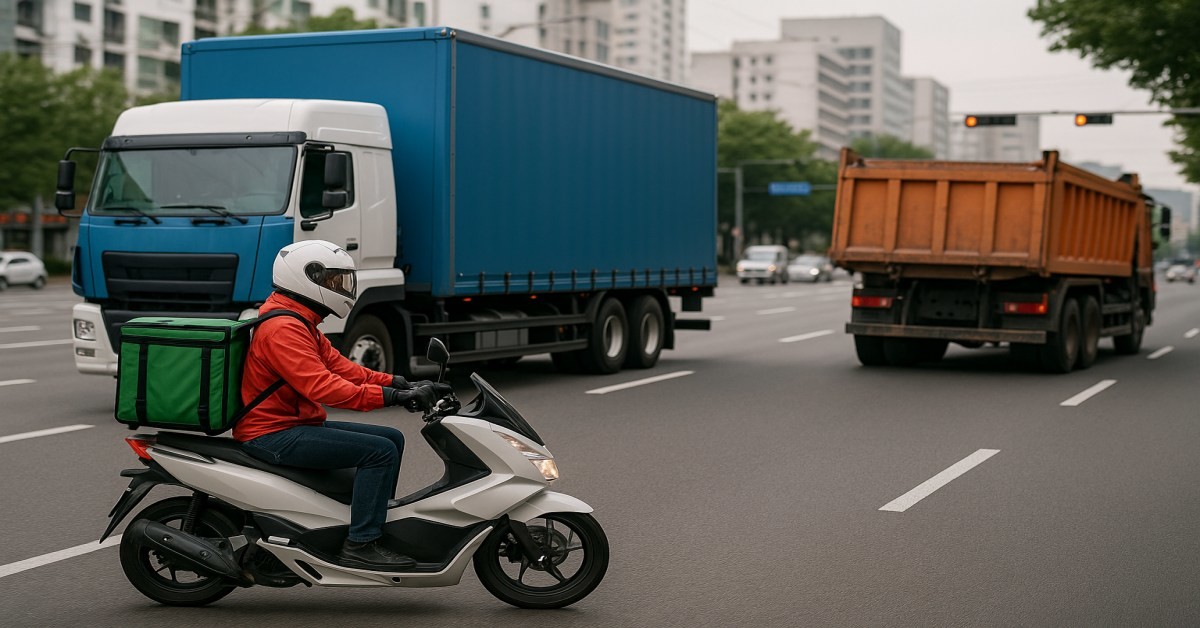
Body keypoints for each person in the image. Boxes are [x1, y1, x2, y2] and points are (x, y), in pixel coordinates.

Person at [234, 240, 450, 571]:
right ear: (308, 278)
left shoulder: (298, 319)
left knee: (392, 438)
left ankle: (366, 524)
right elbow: (324, 387)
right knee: (380, 451)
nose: (341, 288)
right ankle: (361, 543)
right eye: (334, 281)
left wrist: (399, 383)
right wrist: (391, 398)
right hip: (272, 432)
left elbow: (341, 367)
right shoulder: (283, 328)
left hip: (293, 423)